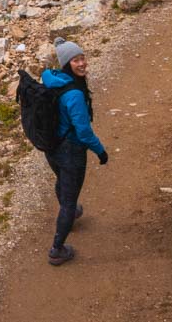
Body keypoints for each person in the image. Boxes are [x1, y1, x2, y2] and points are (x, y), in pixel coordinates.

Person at [41, 37, 107, 266]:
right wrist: (100, 151)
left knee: (62, 180)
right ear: (67, 64)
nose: (82, 63)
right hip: (71, 151)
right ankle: (57, 250)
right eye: (76, 60)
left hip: (53, 147)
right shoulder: (75, 94)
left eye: (82, 58)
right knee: (69, 202)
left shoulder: (54, 79)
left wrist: (61, 44)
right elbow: (84, 132)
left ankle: (71, 212)